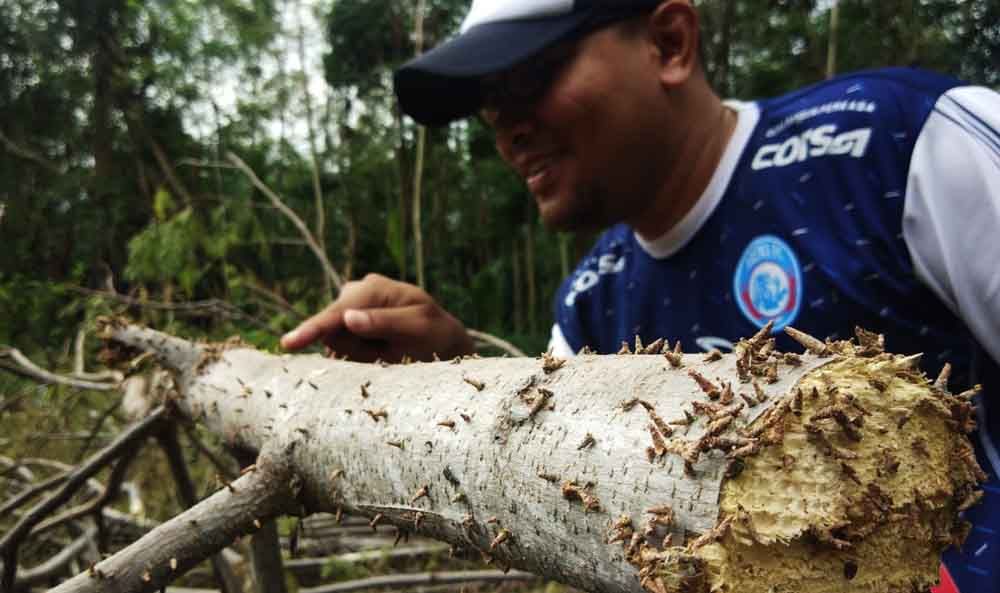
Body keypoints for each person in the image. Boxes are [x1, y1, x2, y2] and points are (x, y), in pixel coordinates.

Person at [280, 1, 1000, 590]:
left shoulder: (897, 146)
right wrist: (454, 379)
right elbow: (566, 490)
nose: (506, 129)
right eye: (491, 106)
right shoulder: (591, 302)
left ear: (668, 42)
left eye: (530, 79)